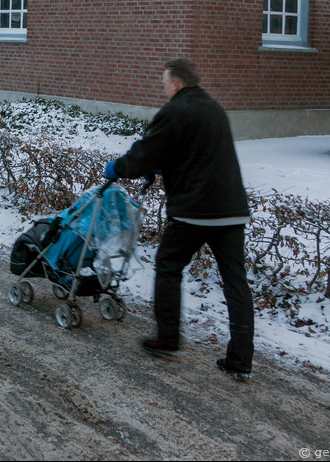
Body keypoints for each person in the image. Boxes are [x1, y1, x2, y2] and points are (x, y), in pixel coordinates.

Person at [103, 58, 254, 381]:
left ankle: (167, 338)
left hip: (194, 210)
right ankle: (241, 359)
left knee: (168, 267)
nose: (164, 89)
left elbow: (146, 152)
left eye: (164, 84)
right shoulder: (214, 109)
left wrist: (118, 168)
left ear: (176, 84)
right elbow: (195, 151)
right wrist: (164, 166)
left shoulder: (175, 110)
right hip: (232, 209)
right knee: (235, 282)